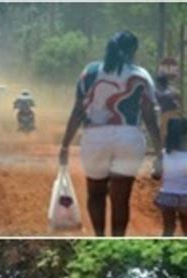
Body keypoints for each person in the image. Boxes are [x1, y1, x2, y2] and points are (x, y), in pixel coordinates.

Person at [59, 31, 162, 236]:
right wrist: (160, 151)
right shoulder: (141, 75)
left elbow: (78, 111)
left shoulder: (89, 72)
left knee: (96, 193)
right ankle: (117, 239)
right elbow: (149, 117)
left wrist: (65, 145)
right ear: (134, 50)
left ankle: (99, 236)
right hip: (130, 138)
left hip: (95, 139)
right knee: (120, 199)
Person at [153, 117, 187, 236]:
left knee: (168, 229)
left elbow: (156, 175)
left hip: (166, 196)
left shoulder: (162, 155)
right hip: (185, 197)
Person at [155, 73, 181, 143]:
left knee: (163, 130)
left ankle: (164, 146)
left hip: (166, 112)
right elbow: (178, 97)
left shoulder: (158, 90)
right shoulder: (172, 89)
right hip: (175, 110)